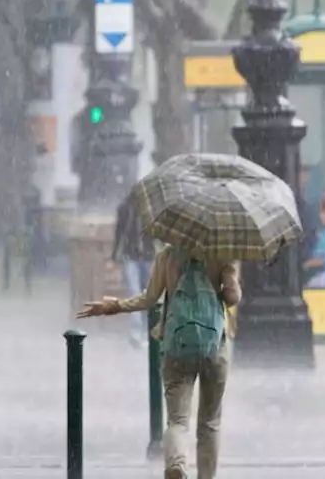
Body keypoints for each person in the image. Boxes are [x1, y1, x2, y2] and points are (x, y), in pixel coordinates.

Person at [77, 245, 241, 479]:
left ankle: (177, 464)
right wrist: (227, 281)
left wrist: (115, 306)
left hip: (177, 344)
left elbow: (150, 298)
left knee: (177, 420)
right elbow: (232, 297)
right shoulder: (222, 252)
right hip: (214, 345)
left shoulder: (169, 254)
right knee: (210, 422)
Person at [111, 194, 157, 348]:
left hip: (147, 257)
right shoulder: (125, 208)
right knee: (135, 293)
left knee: (147, 294)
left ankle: (146, 331)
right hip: (132, 256)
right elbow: (119, 232)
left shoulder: (152, 209)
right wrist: (115, 255)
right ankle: (137, 333)